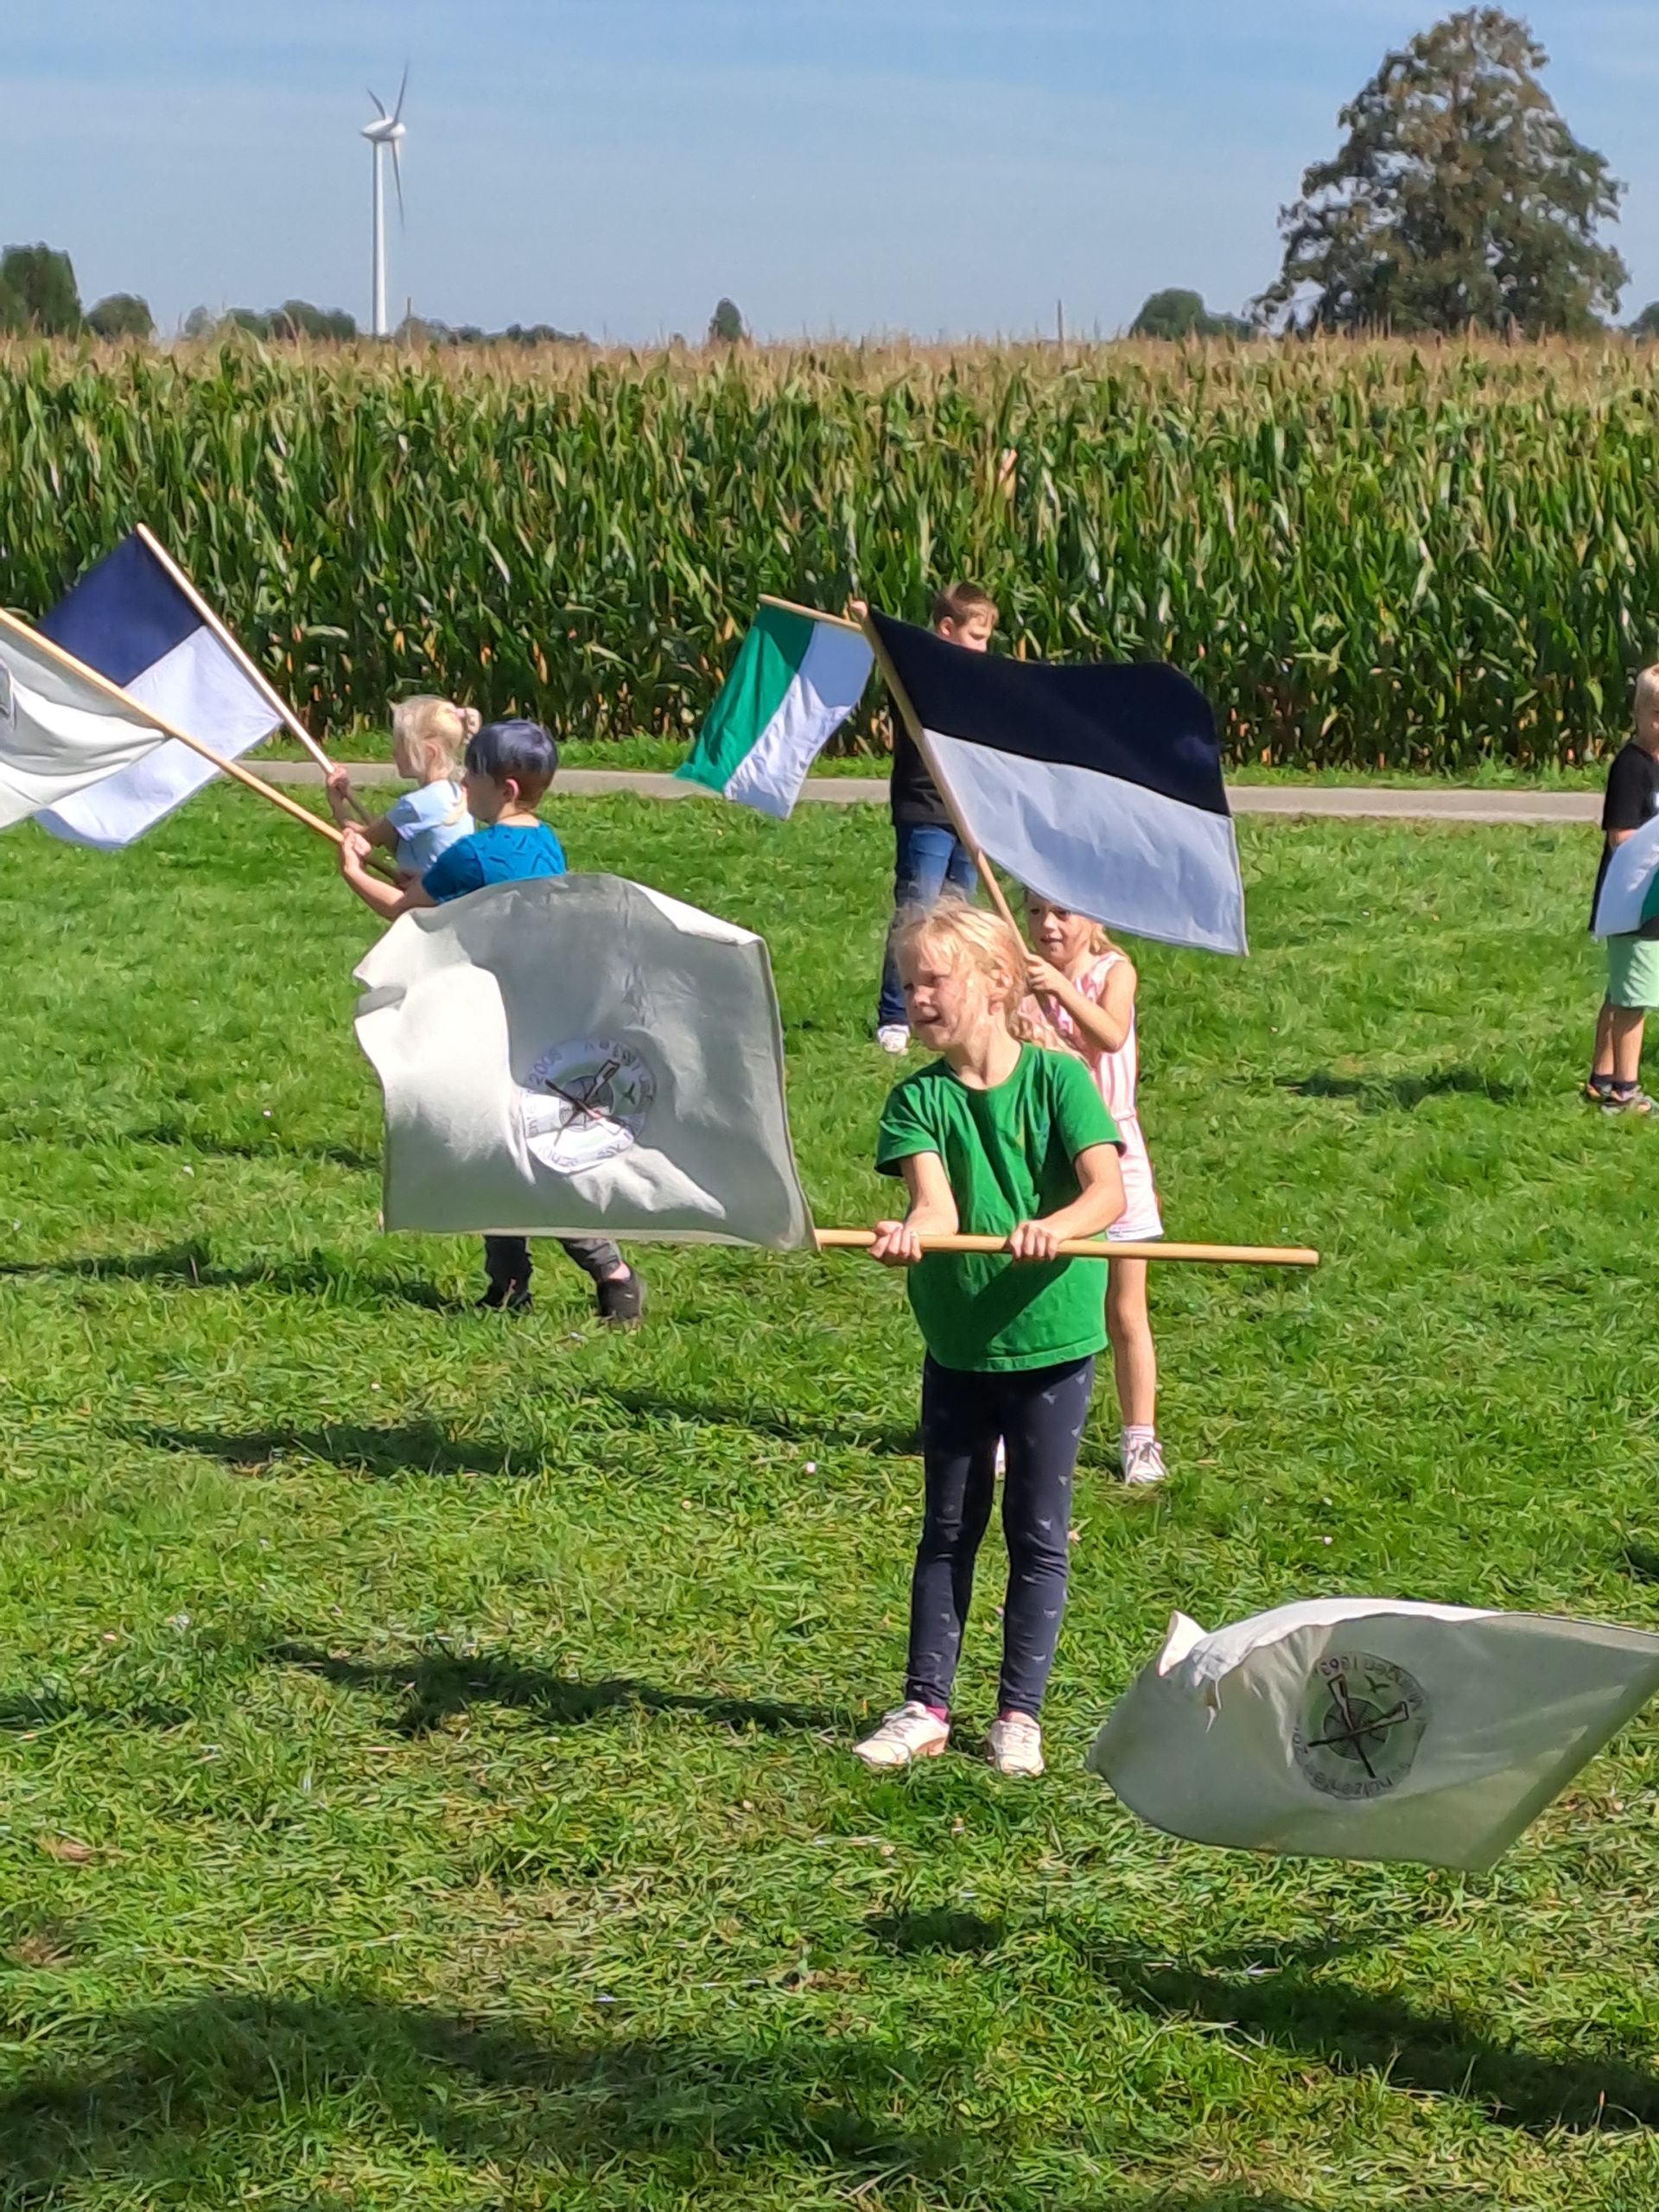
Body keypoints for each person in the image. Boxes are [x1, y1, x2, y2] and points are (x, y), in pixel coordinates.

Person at [855, 898, 1126, 1778]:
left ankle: (1018, 1716)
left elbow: (1108, 1193)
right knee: (947, 1526)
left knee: (1037, 1532)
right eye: (909, 985)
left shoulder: (1060, 1082)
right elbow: (935, 1205)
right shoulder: (916, 1100)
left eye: (935, 980)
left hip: (1052, 1341)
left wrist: (1059, 1225)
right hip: (961, 1342)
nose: (919, 998)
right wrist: (913, 1232)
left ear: (997, 981)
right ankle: (925, 1705)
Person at [337, 716, 646, 1325]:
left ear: (504, 789)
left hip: (492, 1018)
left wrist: (354, 871)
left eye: (471, 778)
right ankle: (507, 1285)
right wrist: (429, 885)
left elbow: (403, 911)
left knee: (517, 1152)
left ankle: (612, 1272)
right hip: (541, 1009)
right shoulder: (546, 842)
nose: (462, 787)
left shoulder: (472, 854)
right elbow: (478, 894)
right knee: (497, 1144)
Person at [1020, 897, 1166, 1486]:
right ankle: (1012, 1427)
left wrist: (1057, 988)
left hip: (1116, 1150)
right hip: (1053, 1156)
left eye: (1062, 912)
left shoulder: (1114, 971)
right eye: (1034, 911)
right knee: (1035, 1299)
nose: (1047, 925)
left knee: (1126, 1309)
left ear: (1091, 917)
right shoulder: (1023, 981)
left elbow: (1108, 1035)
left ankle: (1140, 1438)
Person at [858, 582, 998, 1055]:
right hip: (925, 810)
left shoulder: (980, 682)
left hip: (968, 814)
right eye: (976, 636)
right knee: (917, 910)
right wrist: (870, 622)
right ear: (946, 629)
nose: (983, 648)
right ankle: (896, 1014)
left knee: (959, 916)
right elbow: (892, 649)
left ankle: (951, 1004)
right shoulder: (916, 674)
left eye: (987, 638)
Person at [1587, 665, 1659, 1115]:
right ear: (1638, 713)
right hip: (1631, 902)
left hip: (1649, 900)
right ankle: (1624, 1093)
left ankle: (1601, 1079)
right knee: (1635, 999)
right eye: (1658, 715)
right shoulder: (1631, 769)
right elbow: (1621, 838)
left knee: (1620, 991)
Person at [325, 696, 477, 883]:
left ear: (429, 753)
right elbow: (392, 840)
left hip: (430, 899)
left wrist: (336, 804)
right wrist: (347, 792)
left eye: (402, 745)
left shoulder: (418, 805)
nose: (394, 752)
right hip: (457, 894)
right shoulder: (456, 793)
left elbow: (362, 838)